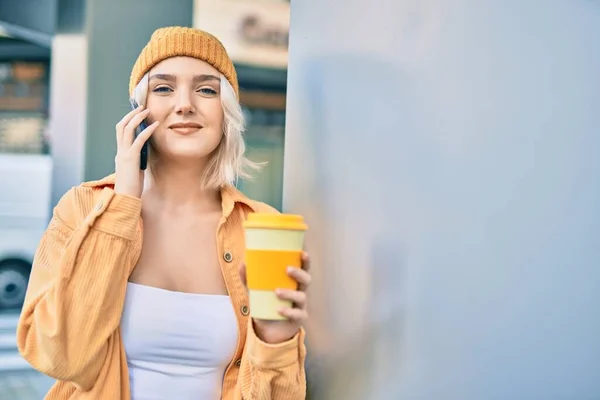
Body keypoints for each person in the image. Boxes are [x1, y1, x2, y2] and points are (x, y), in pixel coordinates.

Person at [16, 26, 310, 400]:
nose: (184, 104)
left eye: (206, 89)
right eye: (163, 88)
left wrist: (274, 338)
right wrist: (122, 205)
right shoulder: (82, 208)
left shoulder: (260, 227)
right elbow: (58, 357)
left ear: (227, 112)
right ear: (138, 112)